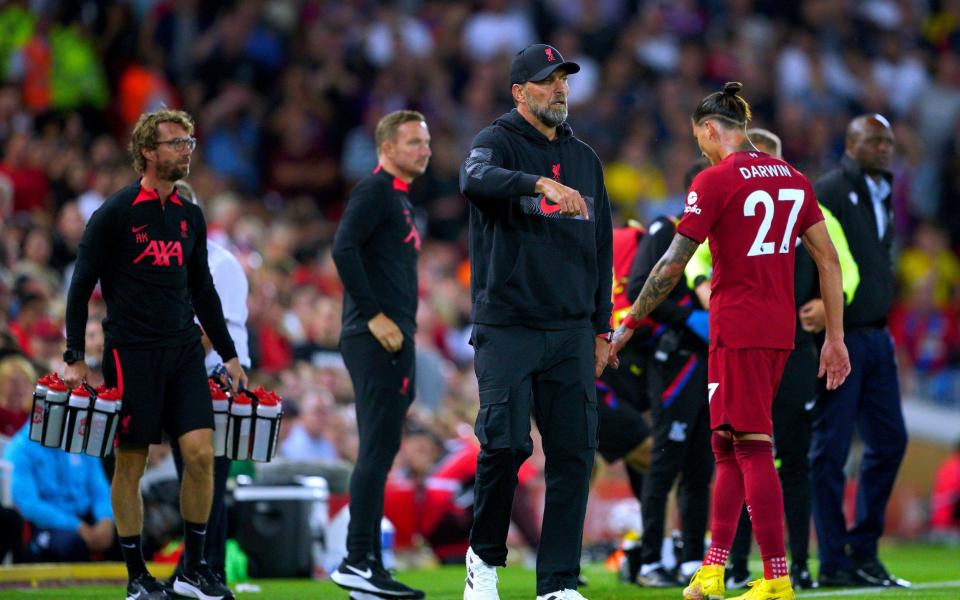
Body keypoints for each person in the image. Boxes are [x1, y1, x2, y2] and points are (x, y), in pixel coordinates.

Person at [608, 82, 851, 600]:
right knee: (727, 446)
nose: (703, 149)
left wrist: (627, 324)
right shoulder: (795, 180)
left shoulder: (715, 182)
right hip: (776, 331)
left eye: (702, 140)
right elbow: (827, 260)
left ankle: (777, 577)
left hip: (738, 331)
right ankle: (714, 569)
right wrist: (835, 337)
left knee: (755, 448)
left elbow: (672, 264)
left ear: (712, 129)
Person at [63, 108, 246, 600]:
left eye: (189, 142)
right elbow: (80, 286)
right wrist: (75, 354)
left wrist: (228, 354)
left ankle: (193, 568)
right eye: (175, 143)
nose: (186, 150)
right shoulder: (116, 212)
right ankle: (136, 575)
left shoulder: (190, 215)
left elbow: (203, 290)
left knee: (202, 456)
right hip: (131, 352)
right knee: (131, 463)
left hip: (184, 351)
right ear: (147, 150)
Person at [459, 43, 614, 600]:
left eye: (564, 80)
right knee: (503, 446)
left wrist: (603, 326)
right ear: (519, 92)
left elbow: (602, 248)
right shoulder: (494, 142)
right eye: (548, 81)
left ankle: (557, 583)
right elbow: (473, 181)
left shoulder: (586, 160)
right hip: (509, 325)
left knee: (574, 454)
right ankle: (484, 565)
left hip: (572, 329)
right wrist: (536, 184)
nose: (560, 89)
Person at [722, 128, 860, 591]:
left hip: (796, 349)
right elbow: (702, 264)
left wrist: (829, 305)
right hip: (757, 342)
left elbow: (845, 269)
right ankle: (739, 563)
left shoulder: (809, 205)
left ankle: (797, 563)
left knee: (790, 458)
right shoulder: (739, 201)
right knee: (747, 452)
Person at [330, 109, 431, 600]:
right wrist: (372, 315)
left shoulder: (400, 198)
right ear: (387, 148)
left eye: (425, 141)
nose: (425, 149)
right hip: (375, 336)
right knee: (376, 448)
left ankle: (366, 563)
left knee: (383, 447)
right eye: (413, 142)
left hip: (393, 335)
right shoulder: (373, 191)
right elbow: (343, 248)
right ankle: (357, 559)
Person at [807, 114, 910, 588]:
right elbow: (811, 250)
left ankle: (863, 550)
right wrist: (812, 308)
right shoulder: (827, 189)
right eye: (874, 140)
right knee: (829, 451)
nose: (885, 148)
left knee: (889, 441)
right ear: (851, 144)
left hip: (878, 337)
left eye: (888, 141)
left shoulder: (883, 190)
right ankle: (833, 561)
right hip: (841, 336)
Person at [626, 160, 713, 589]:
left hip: (709, 361)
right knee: (664, 462)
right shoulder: (668, 228)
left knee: (701, 465)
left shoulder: (719, 238)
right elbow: (637, 289)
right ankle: (648, 561)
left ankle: (691, 559)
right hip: (676, 361)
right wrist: (689, 317)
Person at [164, 179, 250, 588]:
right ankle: (195, 567)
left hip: (217, 378)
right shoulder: (168, 264)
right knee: (193, 477)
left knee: (209, 473)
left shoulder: (221, 264)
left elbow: (208, 333)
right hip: (184, 375)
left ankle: (207, 566)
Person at [4, 422, 114, 562]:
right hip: (47, 525)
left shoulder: (81, 442)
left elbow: (100, 489)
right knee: (72, 545)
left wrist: (105, 519)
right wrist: (76, 526)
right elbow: (30, 505)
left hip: (87, 517)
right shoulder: (20, 449)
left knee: (127, 537)